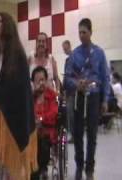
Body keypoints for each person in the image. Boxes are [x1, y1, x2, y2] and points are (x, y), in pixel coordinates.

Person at [0, 12, 37, 180]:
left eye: (0, 21)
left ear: (8, 26)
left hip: (12, 123)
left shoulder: (18, 57)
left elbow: (22, 94)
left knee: (11, 170)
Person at [65, 18, 110, 180]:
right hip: (79, 97)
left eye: (84, 32)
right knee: (77, 133)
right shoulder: (74, 54)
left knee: (92, 134)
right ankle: (79, 165)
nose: (81, 35)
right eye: (79, 32)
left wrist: (105, 99)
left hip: (95, 96)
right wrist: (77, 84)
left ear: (91, 32)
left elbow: (105, 77)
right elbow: (67, 78)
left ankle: (90, 167)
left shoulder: (99, 53)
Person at [30, 67, 58, 180]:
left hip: (47, 130)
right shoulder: (30, 96)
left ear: (46, 80)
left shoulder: (51, 95)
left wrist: (41, 119)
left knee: (42, 141)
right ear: (33, 82)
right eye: (38, 80)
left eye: (43, 80)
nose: (41, 83)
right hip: (31, 130)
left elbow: (54, 112)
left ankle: (40, 169)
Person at [62, 40, 74, 143]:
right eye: (63, 49)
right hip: (68, 91)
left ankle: (74, 135)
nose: (64, 50)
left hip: (74, 91)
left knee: (72, 114)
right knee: (70, 114)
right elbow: (66, 76)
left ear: (69, 46)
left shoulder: (75, 59)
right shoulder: (67, 60)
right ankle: (73, 135)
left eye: (65, 48)